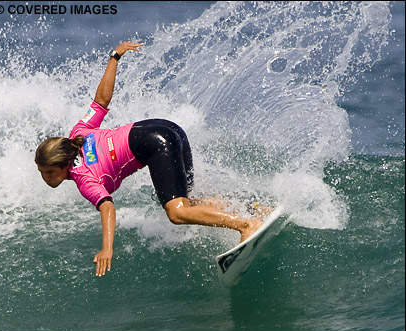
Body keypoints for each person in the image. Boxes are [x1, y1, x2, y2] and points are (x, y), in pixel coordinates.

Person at [35, 41, 267, 277]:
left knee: (177, 212)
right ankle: (254, 210)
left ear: (64, 165)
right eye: (41, 172)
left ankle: (246, 225)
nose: (45, 178)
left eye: (48, 172)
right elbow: (100, 102)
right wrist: (115, 57)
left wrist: (107, 248)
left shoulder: (84, 177)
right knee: (188, 203)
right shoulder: (78, 133)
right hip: (168, 129)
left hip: (157, 143)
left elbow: (107, 207)